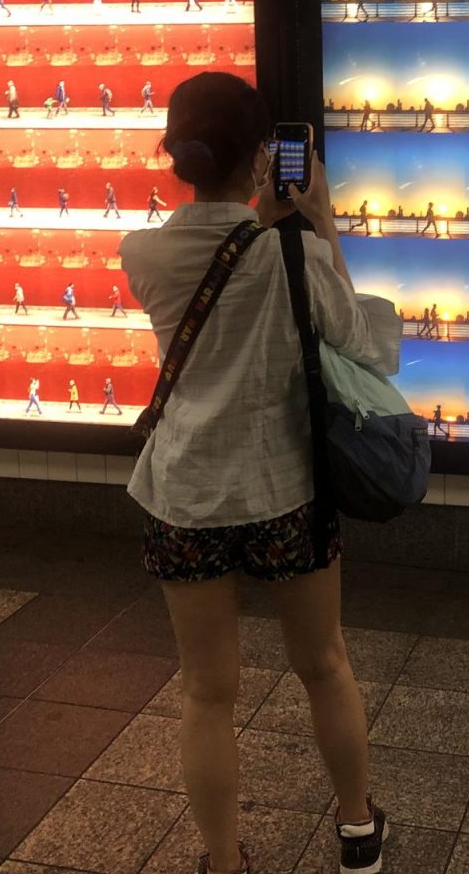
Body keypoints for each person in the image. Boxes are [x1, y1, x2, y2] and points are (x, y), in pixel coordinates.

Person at [116, 71, 396, 874]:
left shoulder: (143, 252)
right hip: (287, 495)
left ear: (175, 153)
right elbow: (365, 345)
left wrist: (266, 225)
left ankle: (225, 863)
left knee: (208, 693)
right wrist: (319, 224)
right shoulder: (293, 252)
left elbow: (213, 274)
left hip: (184, 496)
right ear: (264, 161)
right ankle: (354, 830)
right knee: (324, 663)